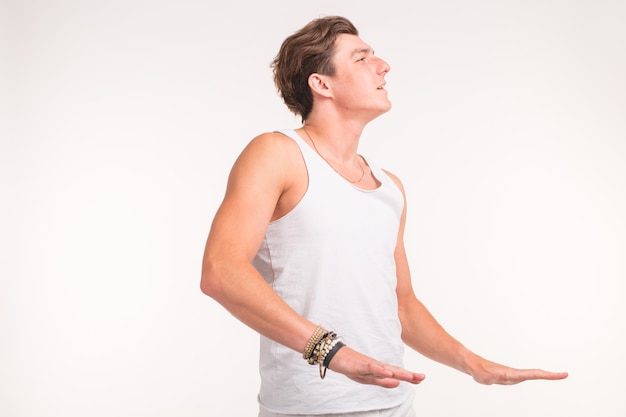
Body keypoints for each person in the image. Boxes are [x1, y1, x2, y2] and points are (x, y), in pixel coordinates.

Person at [200, 15, 568, 417]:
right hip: (311, 407)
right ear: (321, 83)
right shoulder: (277, 154)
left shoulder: (389, 186)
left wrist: (474, 365)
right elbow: (221, 271)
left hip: (394, 403)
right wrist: (332, 353)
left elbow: (402, 305)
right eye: (361, 58)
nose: (383, 66)